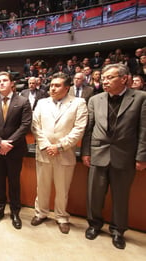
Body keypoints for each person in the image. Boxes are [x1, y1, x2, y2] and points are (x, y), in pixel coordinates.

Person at [81, 64, 146, 249]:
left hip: (125, 156)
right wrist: (86, 152)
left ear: (124, 79)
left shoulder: (141, 98)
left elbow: (144, 130)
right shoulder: (95, 99)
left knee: (121, 196)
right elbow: (89, 129)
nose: (104, 81)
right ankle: (94, 225)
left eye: (109, 77)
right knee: (94, 194)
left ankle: (118, 231)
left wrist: (141, 156)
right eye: (103, 78)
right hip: (98, 153)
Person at [31, 73, 88, 234]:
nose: (53, 88)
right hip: (44, 151)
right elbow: (35, 126)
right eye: (51, 85)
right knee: (41, 186)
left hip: (64, 153)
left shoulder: (78, 103)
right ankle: (40, 212)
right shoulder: (42, 103)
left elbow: (79, 129)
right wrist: (46, 145)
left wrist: (59, 146)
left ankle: (61, 217)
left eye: (57, 85)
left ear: (67, 88)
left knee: (62, 189)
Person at [0, 71, 32, 228]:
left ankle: (15, 212)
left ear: (12, 83)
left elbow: (25, 125)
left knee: (14, 182)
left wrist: (8, 143)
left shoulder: (23, 101)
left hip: (14, 149)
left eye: (5, 80)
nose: (1, 83)